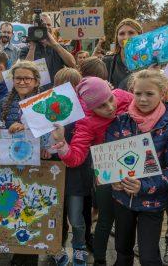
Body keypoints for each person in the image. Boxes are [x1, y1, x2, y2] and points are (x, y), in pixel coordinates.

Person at [51, 77, 133, 266]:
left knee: (127, 220)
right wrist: (63, 144)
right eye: (101, 106)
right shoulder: (86, 122)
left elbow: (148, 111)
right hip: (108, 175)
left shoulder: (124, 97)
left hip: (135, 169)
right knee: (105, 217)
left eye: (110, 100)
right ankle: (99, 259)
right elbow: (75, 158)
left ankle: (123, 258)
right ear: (90, 107)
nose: (110, 107)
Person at [106, 69, 168, 266]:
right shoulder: (120, 121)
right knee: (122, 251)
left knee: (149, 257)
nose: (142, 99)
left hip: (153, 202)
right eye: (138, 93)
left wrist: (144, 185)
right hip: (122, 199)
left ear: (163, 93)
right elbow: (108, 159)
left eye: (149, 94)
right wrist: (111, 178)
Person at [0, 61, 42, 266]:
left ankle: (29, 256)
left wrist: (27, 127)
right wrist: (7, 128)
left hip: (35, 166)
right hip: (11, 164)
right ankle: (15, 251)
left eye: (26, 78)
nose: (22, 82)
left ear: (36, 81)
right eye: (18, 78)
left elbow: (49, 132)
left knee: (32, 210)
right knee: (15, 209)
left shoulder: (42, 102)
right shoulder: (4, 101)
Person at [53, 68, 90, 266]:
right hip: (53, 172)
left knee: (76, 217)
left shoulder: (85, 112)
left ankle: (79, 247)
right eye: (61, 85)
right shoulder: (49, 109)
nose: (67, 90)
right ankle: (56, 247)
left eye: (72, 86)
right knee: (55, 215)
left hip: (76, 173)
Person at [20, 13, 76, 83]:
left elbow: (72, 64)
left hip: (55, 90)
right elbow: (23, 72)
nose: (45, 28)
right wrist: (32, 47)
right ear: (34, 27)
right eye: (42, 25)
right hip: (35, 91)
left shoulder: (59, 48)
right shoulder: (26, 50)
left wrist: (55, 44)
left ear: (52, 28)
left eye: (48, 25)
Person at [103, 18, 143, 89]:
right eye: (121, 34)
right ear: (117, 38)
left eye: (131, 33)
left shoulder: (148, 61)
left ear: (140, 35)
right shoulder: (107, 61)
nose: (126, 37)